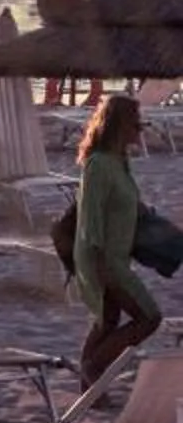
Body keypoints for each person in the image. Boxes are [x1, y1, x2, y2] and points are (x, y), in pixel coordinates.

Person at [72, 93, 163, 387]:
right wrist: (102, 268)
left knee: (107, 321)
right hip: (102, 258)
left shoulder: (119, 161)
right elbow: (91, 217)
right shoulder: (98, 164)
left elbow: (125, 204)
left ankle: (89, 391)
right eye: (136, 123)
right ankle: (92, 368)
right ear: (119, 125)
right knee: (149, 317)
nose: (140, 128)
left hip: (115, 256)